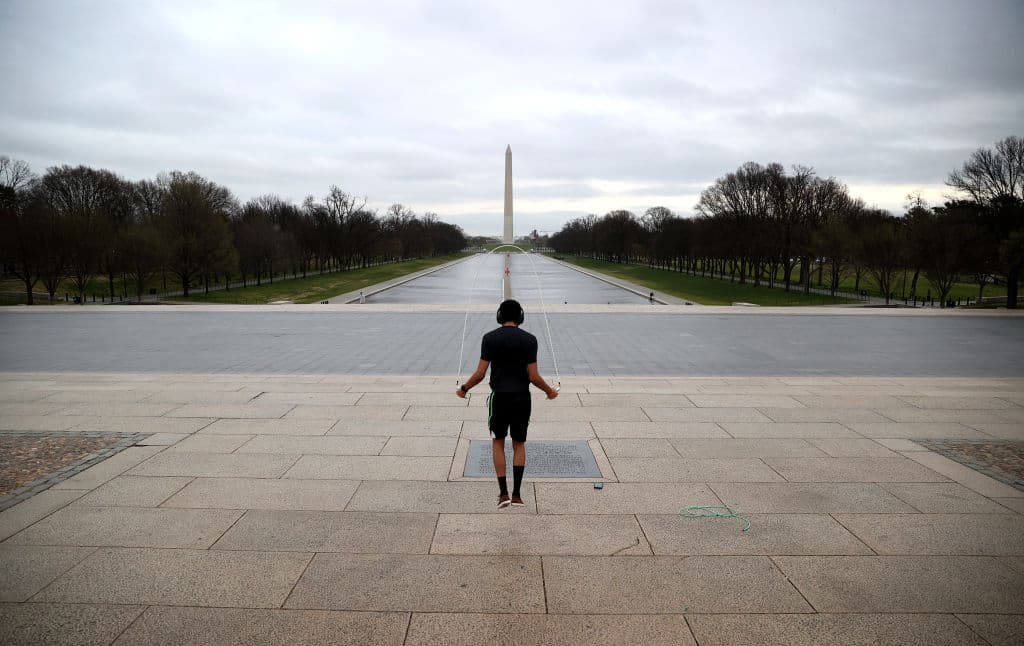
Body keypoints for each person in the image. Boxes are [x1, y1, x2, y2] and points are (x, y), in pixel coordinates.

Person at [456, 299, 558, 507]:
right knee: (519, 443)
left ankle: (503, 494)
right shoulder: (530, 340)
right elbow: (533, 376)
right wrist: (549, 391)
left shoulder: (490, 339)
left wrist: (464, 388)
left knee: (498, 442)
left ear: (499, 316)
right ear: (520, 317)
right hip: (522, 398)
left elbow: (480, 373)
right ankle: (518, 494)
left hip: (499, 398)